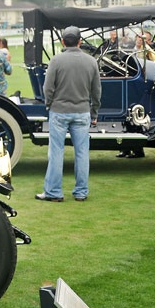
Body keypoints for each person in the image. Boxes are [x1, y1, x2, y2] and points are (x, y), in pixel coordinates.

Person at [37, 26, 101, 203]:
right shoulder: (91, 61)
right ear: (80, 41)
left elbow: (48, 88)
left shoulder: (56, 60)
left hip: (59, 111)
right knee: (82, 153)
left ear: (63, 41)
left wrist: (49, 104)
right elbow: (96, 91)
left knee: (56, 152)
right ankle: (81, 192)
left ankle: (54, 192)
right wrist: (94, 111)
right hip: (82, 112)